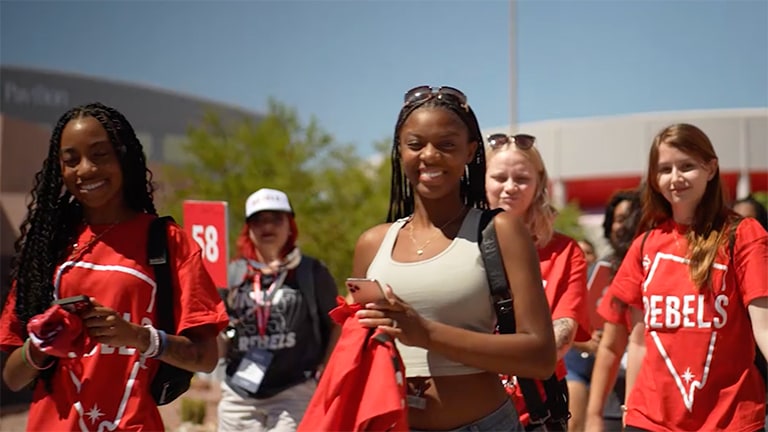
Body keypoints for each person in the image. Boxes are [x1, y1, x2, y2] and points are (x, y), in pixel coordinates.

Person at [0, 102, 229, 431]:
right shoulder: (46, 250)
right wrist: (42, 343)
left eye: (100, 154)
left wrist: (136, 336)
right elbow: (12, 377)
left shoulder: (167, 242)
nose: (86, 169)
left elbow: (206, 357)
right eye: (71, 160)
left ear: (123, 156)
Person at [352, 85, 556, 432]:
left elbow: (540, 357)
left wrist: (427, 333)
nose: (430, 156)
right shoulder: (372, 243)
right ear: (400, 151)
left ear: (470, 151)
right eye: (415, 144)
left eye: (447, 145)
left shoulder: (500, 231)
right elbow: (354, 350)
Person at [604, 123, 768, 431]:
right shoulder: (643, 246)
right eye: (665, 169)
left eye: (687, 166)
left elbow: (765, 328)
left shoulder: (744, 235)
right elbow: (638, 341)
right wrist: (630, 410)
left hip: (729, 419)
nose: (675, 178)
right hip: (649, 419)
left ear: (711, 168)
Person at [485, 133, 590, 430]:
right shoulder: (459, 245)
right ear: (482, 181)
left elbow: (561, 336)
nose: (509, 187)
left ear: (539, 184)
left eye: (521, 178)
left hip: (538, 409)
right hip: (472, 409)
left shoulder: (565, 252)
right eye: (499, 177)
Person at [217, 187, 340, 432]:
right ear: (248, 229)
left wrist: (326, 370)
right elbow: (218, 339)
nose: (267, 227)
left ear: (290, 225)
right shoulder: (230, 274)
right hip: (239, 392)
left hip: (294, 390)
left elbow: (336, 324)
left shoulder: (311, 271)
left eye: (276, 219)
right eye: (259, 221)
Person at [583, 189, 643, 432]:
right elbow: (610, 345)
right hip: (610, 392)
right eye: (619, 219)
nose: (626, 227)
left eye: (632, 219)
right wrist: (593, 416)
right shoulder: (604, 270)